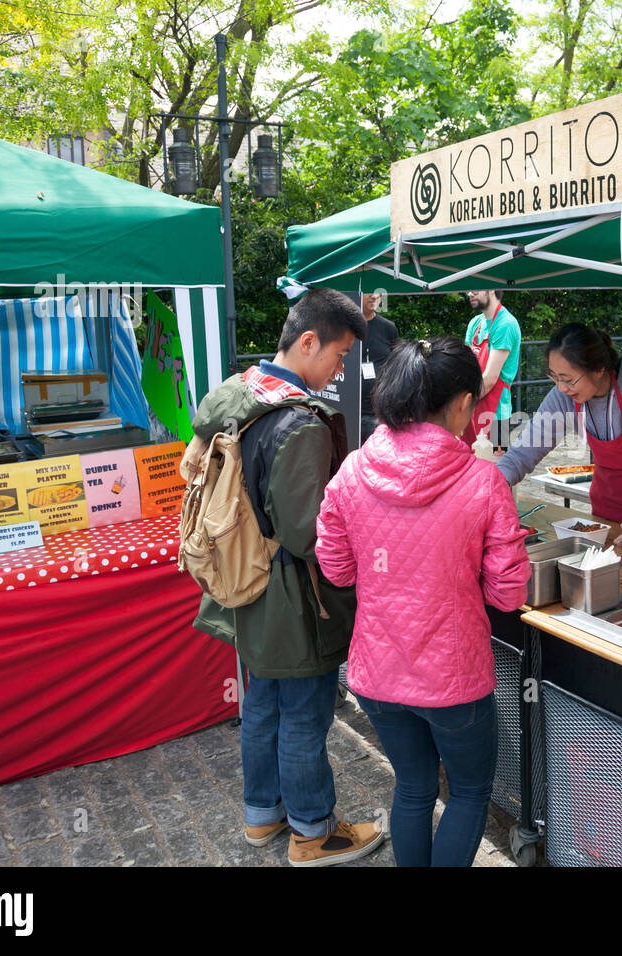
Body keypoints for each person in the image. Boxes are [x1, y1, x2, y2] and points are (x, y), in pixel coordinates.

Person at [316, 336, 531, 867]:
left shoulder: (350, 472)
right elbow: (508, 593)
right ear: (462, 402)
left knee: (413, 789)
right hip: (453, 680)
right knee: (469, 792)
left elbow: (336, 568)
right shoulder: (484, 483)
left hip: (376, 675)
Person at [190, 288, 385, 867]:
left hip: (242, 581)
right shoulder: (299, 423)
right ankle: (313, 831)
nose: (342, 369)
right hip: (292, 594)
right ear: (307, 342)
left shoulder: (235, 393)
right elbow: (306, 535)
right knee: (304, 711)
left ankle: (262, 816)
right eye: (340, 354)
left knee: (263, 704)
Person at [498, 323, 622, 546]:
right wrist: (491, 486)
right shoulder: (564, 397)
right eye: (554, 377)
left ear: (599, 369)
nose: (561, 388)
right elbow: (522, 454)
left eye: (568, 378)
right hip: (604, 520)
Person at [462, 290, 520, 449]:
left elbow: (489, 379)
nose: (469, 293)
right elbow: (467, 369)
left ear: (492, 288)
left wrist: (461, 405)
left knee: (494, 469)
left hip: (495, 416)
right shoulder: (475, 323)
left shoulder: (505, 324)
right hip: (472, 407)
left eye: (475, 289)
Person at [356, 291, 399, 446]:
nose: (374, 296)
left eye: (378, 292)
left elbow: (396, 366)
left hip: (379, 414)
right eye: (369, 292)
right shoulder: (343, 327)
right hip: (350, 409)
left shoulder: (388, 328)